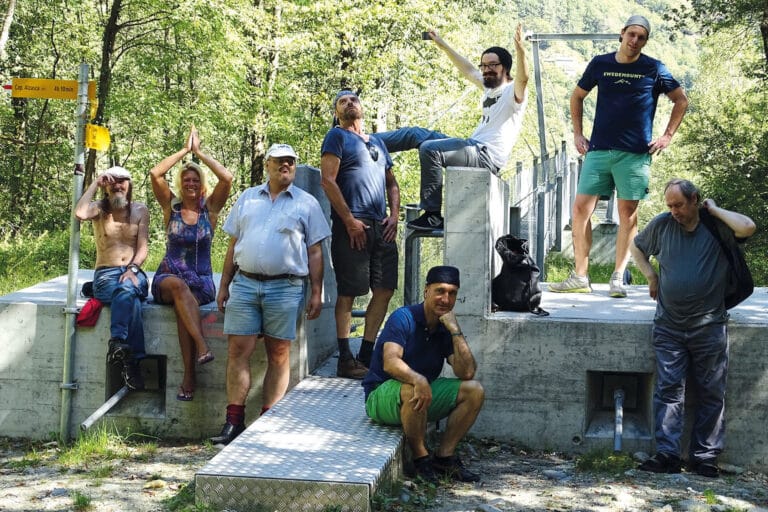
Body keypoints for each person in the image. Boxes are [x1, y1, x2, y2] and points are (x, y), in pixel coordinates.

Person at [549, 15, 689, 298]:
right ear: (621, 34)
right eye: (631, 34)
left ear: (645, 41)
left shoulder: (654, 68)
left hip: (635, 155)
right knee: (580, 211)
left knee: (628, 215)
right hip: (598, 150)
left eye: (641, 37)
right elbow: (577, 96)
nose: (635, 40)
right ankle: (580, 275)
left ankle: (617, 278)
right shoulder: (600, 63)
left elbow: (681, 100)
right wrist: (578, 134)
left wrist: (667, 136)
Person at [629, 179, 755, 477]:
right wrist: (650, 276)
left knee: (711, 392)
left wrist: (715, 209)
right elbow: (637, 248)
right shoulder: (662, 225)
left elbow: (747, 227)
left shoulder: (716, 225)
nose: (674, 211)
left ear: (694, 200)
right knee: (668, 390)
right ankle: (667, 455)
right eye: (669, 206)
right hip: (669, 326)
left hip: (709, 326)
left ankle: (704, 458)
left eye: (679, 205)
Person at [210, 143, 331, 445]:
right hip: (246, 284)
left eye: (290, 162)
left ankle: (266, 425)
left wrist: (317, 291)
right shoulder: (248, 198)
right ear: (267, 165)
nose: (285, 166)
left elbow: (315, 251)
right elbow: (233, 244)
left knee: (279, 354)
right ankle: (233, 422)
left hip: (286, 286)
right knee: (238, 351)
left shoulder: (307, 203)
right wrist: (224, 285)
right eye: (279, 161)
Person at [376, 24, 529, 231]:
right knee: (415, 134)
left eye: (492, 65)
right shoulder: (488, 86)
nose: (486, 70)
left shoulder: (513, 92)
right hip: (472, 146)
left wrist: (520, 50)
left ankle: (432, 215)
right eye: (484, 66)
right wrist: (440, 43)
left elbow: (524, 78)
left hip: (486, 157)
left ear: (505, 67)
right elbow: (467, 69)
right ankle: (365, 141)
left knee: (430, 149)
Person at [362, 265, 484, 483]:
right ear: (426, 290)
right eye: (440, 291)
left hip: (420, 394)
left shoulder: (445, 326)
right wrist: (418, 379)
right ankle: (420, 459)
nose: (445, 299)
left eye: (452, 293)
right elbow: (390, 362)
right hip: (381, 395)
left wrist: (456, 331)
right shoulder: (403, 317)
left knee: (474, 390)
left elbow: (466, 372)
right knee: (413, 388)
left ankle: (444, 458)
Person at [321, 90, 401, 378]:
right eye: (342, 101)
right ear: (336, 113)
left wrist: (394, 215)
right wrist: (349, 220)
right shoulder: (337, 137)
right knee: (349, 291)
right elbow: (328, 180)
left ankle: (366, 355)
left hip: (382, 226)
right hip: (352, 224)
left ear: (362, 107)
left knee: (385, 288)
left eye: (354, 99)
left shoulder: (378, 142)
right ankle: (345, 359)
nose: (349, 103)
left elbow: (392, 184)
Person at [149, 127, 233, 402]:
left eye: (195, 180)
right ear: (180, 184)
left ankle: (190, 375)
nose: (190, 184)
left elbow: (227, 177)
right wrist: (184, 152)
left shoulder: (211, 210)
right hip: (168, 277)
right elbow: (154, 174)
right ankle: (201, 347)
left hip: (201, 281)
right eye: (186, 180)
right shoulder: (169, 207)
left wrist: (199, 153)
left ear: (202, 185)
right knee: (177, 288)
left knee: (184, 305)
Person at [75, 166, 150, 390]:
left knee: (127, 289)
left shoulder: (140, 210)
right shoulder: (99, 209)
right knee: (131, 299)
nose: (118, 186)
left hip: (133, 271)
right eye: (112, 182)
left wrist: (133, 269)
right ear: (106, 187)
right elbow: (79, 213)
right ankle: (132, 361)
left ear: (129, 185)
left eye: (122, 181)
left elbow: (143, 247)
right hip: (106, 274)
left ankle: (118, 343)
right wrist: (95, 183)